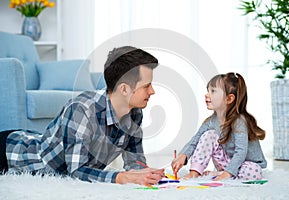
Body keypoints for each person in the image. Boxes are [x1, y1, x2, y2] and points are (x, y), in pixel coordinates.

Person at [0, 46, 165, 185]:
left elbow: (134, 161)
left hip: (37, 141)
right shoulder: (82, 110)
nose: (152, 91)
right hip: (12, 153)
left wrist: (146, 174)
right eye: (147, 86)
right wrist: (121, 177)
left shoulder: (135, 113)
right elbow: (77, 171)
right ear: (124, 89)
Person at [171, 72, 267, 181]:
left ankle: (224, 174)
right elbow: (195, 140)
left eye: (213, 91)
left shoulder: (239, 122)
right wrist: (183, 155)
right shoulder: (211, 121)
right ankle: (195, 172)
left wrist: (227, 174)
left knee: (253, 172)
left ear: (229, 99)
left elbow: (241, 152)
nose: (207, 94)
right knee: (209, 135)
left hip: (247, 164)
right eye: (208, 91)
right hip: (227, 162)